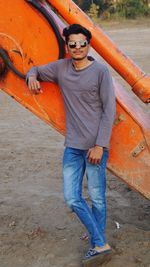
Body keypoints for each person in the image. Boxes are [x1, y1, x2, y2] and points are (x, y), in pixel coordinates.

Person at [26, 24, 116, 264]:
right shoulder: (61, 68)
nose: (77, 48)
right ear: (67, 46)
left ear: (88, 45)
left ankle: (98, 242)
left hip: (95, 147)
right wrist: (32, 76)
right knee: (72, 197)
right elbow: (34, 69)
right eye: (73, 44)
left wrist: (100, 145)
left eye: (82, 43)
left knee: (97, 197)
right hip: (73, 147)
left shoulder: (100, 72)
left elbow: (109, 110)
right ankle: (100, 241)